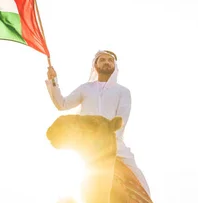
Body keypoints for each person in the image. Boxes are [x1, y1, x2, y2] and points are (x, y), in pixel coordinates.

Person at [45, 50, 150, 195]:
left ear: (115, 66)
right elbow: (62, 104)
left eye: (110, 60)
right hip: (86, 142)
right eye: (102, 60)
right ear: (95, 65)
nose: (106, 62)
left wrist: (108, 138)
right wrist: (53, 80)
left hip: (113, 142)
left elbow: (122, 120)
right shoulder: (85, 88)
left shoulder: (123, 91)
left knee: (138, 176)